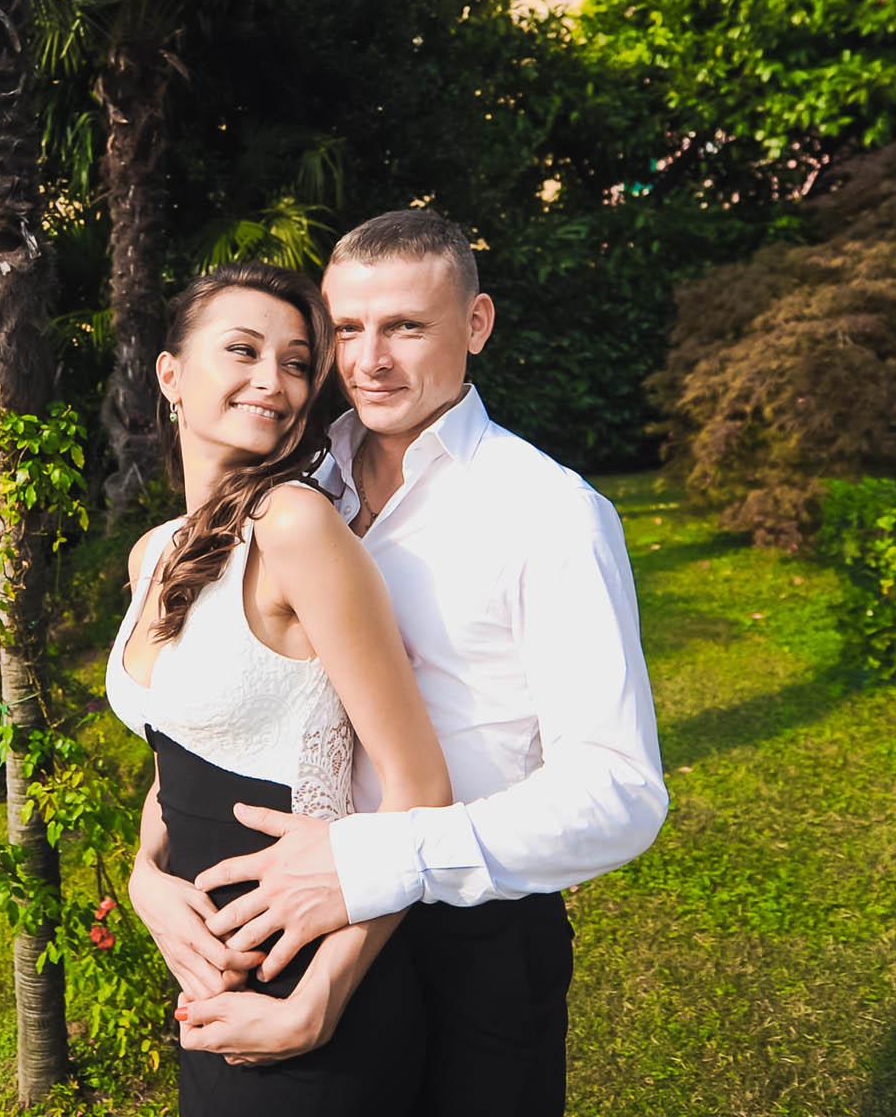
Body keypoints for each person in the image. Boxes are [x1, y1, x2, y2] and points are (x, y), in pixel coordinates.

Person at [148, 209, 669, 1115]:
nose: (369, 360)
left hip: (477, 936)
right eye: (347, 329)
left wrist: (386, 859)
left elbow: (619, 794)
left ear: (476, 325)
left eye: (406, 327)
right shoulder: (297, 487)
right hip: (304, 923)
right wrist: (147, 873)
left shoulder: (550, 514)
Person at [106, 259, 456, 1115]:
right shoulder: (152, 553)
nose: (274, 380)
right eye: (244, 350)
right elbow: (177, 754)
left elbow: (421, 790)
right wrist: (143, 879)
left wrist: (320, 998)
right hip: (208, 994)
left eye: (298, 362)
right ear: (171, 376)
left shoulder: (296, 528)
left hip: (314, 997)